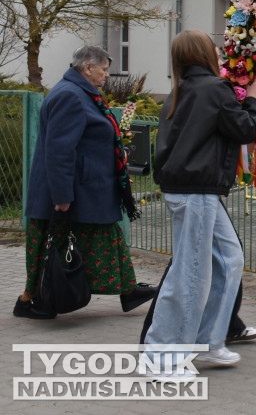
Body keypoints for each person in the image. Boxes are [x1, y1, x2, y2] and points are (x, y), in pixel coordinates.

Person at [143, 31, 256, 376]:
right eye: (214, 47)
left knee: (229, 260)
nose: (219, 51)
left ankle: (208, 341)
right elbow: (243, 129)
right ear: (203, 53)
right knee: (191, 274)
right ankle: (161, 358)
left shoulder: (185, 90)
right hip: (196, 190)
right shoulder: (213, 89)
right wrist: (253, 98)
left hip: (193, 188)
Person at [15, 45, 156, 320]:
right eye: (103, 70)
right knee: (52, 246)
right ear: (87, 68)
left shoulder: (81, 93)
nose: (106, 75)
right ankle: (30, 299)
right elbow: (60, 151)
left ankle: (128, 291)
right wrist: (61, 195)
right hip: (71, 191)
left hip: (88, 188)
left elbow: (88, 139)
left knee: (108, 238)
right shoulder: (70, 96)